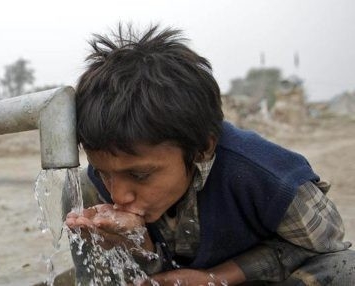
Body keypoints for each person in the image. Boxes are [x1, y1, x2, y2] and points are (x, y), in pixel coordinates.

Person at [64, 23, 355, 285]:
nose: (118, 196)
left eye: (139, 175)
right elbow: (143, 272)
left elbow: (324, 246)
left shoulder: (268, 177)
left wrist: (217, 278)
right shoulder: (96, 186)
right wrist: (138, 243)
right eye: (104, 172)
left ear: (203, 148)